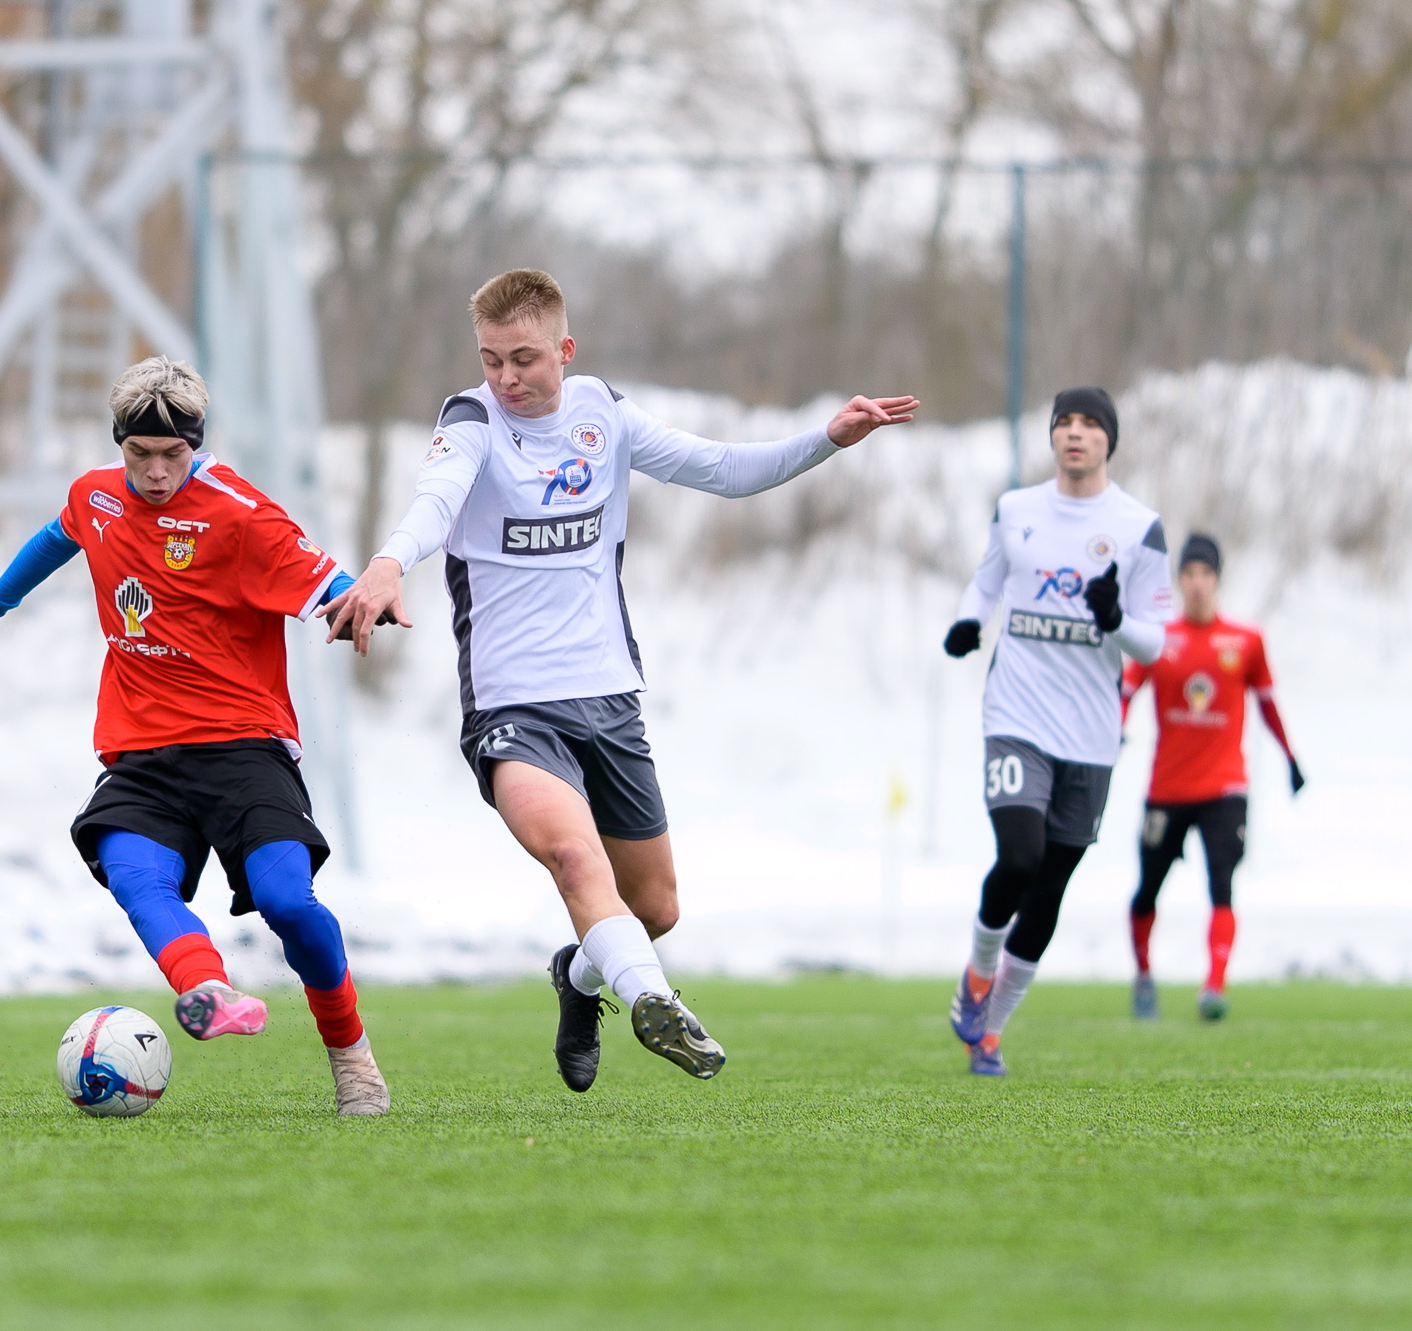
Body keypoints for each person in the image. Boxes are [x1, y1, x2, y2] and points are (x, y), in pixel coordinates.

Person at [323, 268, 917, 1091]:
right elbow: (436, 498)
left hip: (607, 696)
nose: (506, 378)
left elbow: (724, 469)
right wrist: (389, 563)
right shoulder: (471, 422)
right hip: (511, 706)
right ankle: (653, 1000)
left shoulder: (604, 414)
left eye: (524, 358)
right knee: (575, 858)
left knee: (656, 906)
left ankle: (578, 978)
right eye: (491, 360)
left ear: (565, 350)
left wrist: (827, 438)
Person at [0, 356, 390, 1116]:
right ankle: (207, 988)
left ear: (196, 443)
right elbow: (54, 538)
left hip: (244, 745)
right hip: (143, 753)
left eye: (174, 454)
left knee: (288, 903)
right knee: (133, 873)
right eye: (140, 454)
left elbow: (320, 576)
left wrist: (358, 600)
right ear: (119, 444)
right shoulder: (97, 495)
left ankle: (354, 1061)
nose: (158, 471)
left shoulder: (242, 514)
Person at [940, 386, 1171, 1076]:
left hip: (1092, 733)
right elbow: (986, 584)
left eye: (1090, 423)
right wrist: (968, 622)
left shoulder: (1139, 526)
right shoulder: (1017, 509)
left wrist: (1114, 620)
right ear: (1051, 437)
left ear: (1109, 440)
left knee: (1049, 887)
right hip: (1017, 715)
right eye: (1064, 422)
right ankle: (977, 973)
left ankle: (990, 1033)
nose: (1075, 433)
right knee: (1019, 856)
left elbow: (1155, 641)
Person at [1121, 532, 1302, 1024]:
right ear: (1179, 580)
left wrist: (1290, 758)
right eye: (1190, 573)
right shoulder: (1158, 638)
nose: (1198, 583)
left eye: (1206, 573)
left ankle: (1214, 986)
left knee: (1222, 881)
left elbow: (1268, 704)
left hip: (1225, 786)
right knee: (1147, 888)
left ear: (1217, 579)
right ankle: (1144, 975)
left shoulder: (1245, 641)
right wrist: (1114, 730)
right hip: (1167, 788)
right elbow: (1126, 690)